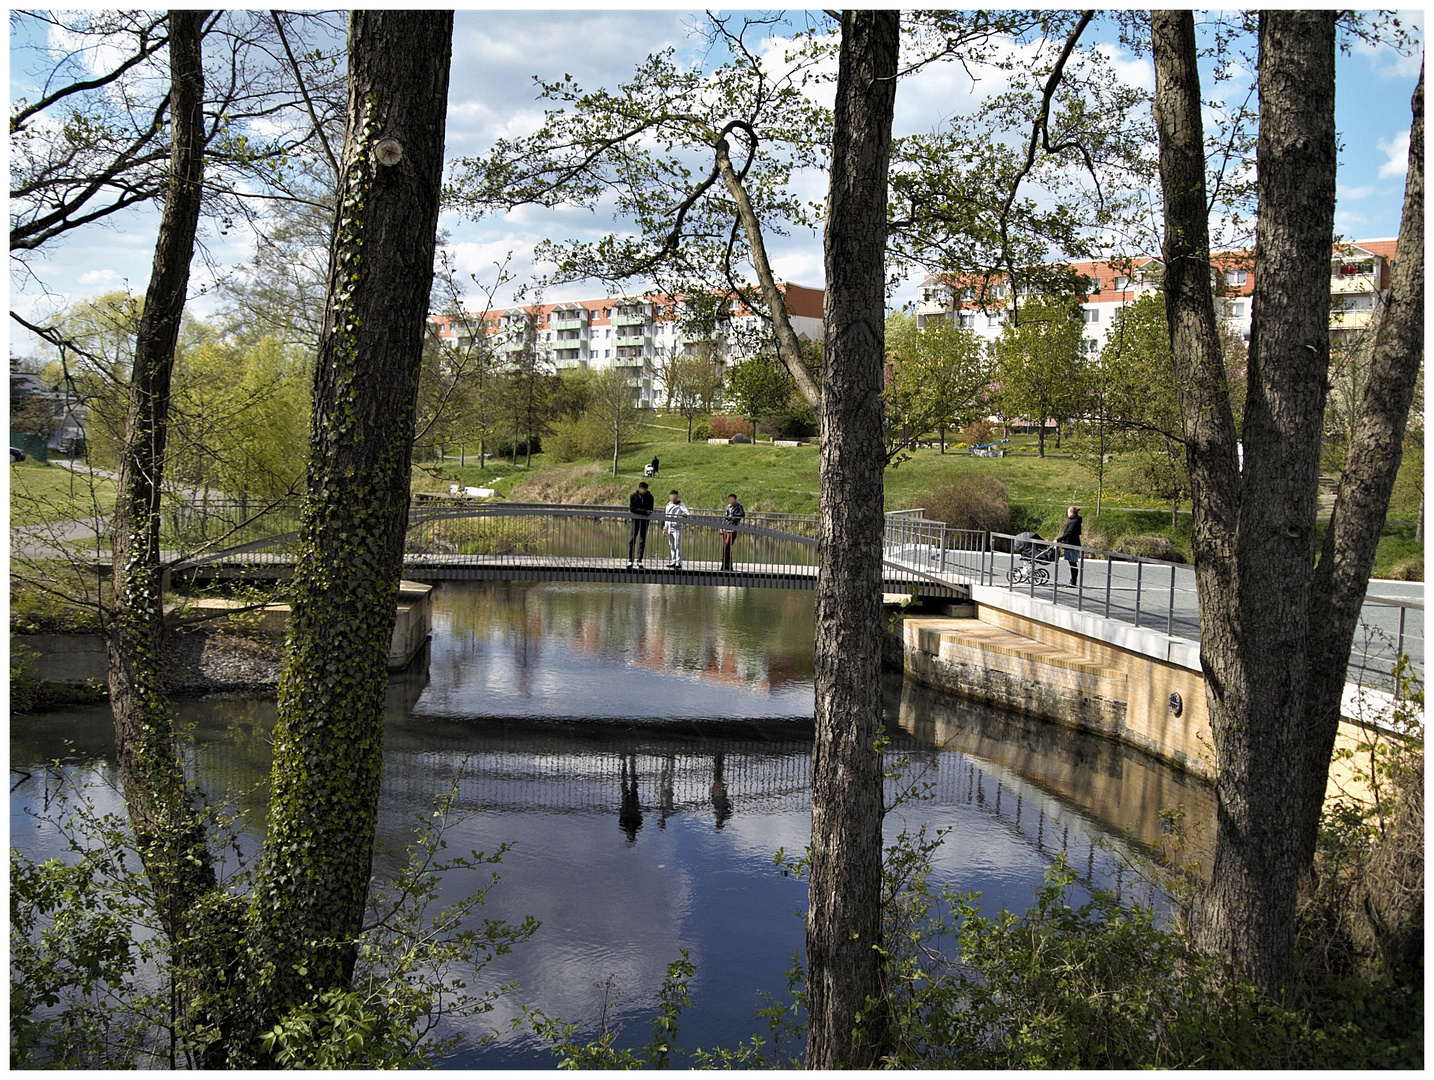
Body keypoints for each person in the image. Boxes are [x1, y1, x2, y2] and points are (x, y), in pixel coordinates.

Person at [627, 481, 654, 569]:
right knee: (632, 539)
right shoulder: (633, 496)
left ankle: (639, 560)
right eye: (642, 489)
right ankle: (630, 560)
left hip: (645, 521)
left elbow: (650, 510)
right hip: (635, 520)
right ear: (639, 489)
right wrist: (643, 512)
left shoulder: (650, 497)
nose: (643, 491)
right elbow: (632, 509)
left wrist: (645, 512)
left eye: (645, 489)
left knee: (642, 540)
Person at [1055, 504, 1083, 585]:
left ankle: (1073, 581)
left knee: (1073, 563)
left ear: (1071, 513)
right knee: (1072, 563)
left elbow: (1069, 533)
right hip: (1071, 543)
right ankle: (1073, 580)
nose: (1067, 514)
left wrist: (1058, 540)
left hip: (1073, 545)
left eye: (1068, 512)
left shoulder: (1074, 522)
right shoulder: (1074, 521)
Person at [663, 489, 690, 569]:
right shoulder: (668, 505)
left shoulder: (681, 505)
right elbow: (666, 517)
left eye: (674, 496)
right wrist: (665, 528)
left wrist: (683, 514)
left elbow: (688, 514)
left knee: (677, 545)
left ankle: (678, 562)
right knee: (671, 545)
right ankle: (673, 561)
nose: (672, 498)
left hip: (677, 527)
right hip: (670, 527)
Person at [720, 492, 745, 571]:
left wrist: (733, 516)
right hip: (725, 528)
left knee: (727, 546)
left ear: (735, 499)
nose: (731, 501)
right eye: (730, 499)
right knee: (725, 547)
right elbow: (725, 517)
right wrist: (721, 527)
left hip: (732, 529)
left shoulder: (739, 507)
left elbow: (742, 514)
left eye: (732, 499)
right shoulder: (728, 507)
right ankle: (727, 565)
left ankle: (725, 563)